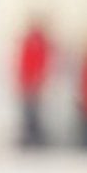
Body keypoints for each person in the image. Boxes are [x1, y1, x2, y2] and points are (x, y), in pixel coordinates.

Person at [15, 15, 53, 148]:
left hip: (36, 84)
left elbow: (44, 63)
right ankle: (28, 139)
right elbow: (23, 63)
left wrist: (39, 79)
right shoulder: (29, 42)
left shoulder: (42, 44)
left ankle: (35, 140)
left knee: (35, 112)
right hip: (28, 84)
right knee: (28, 112)